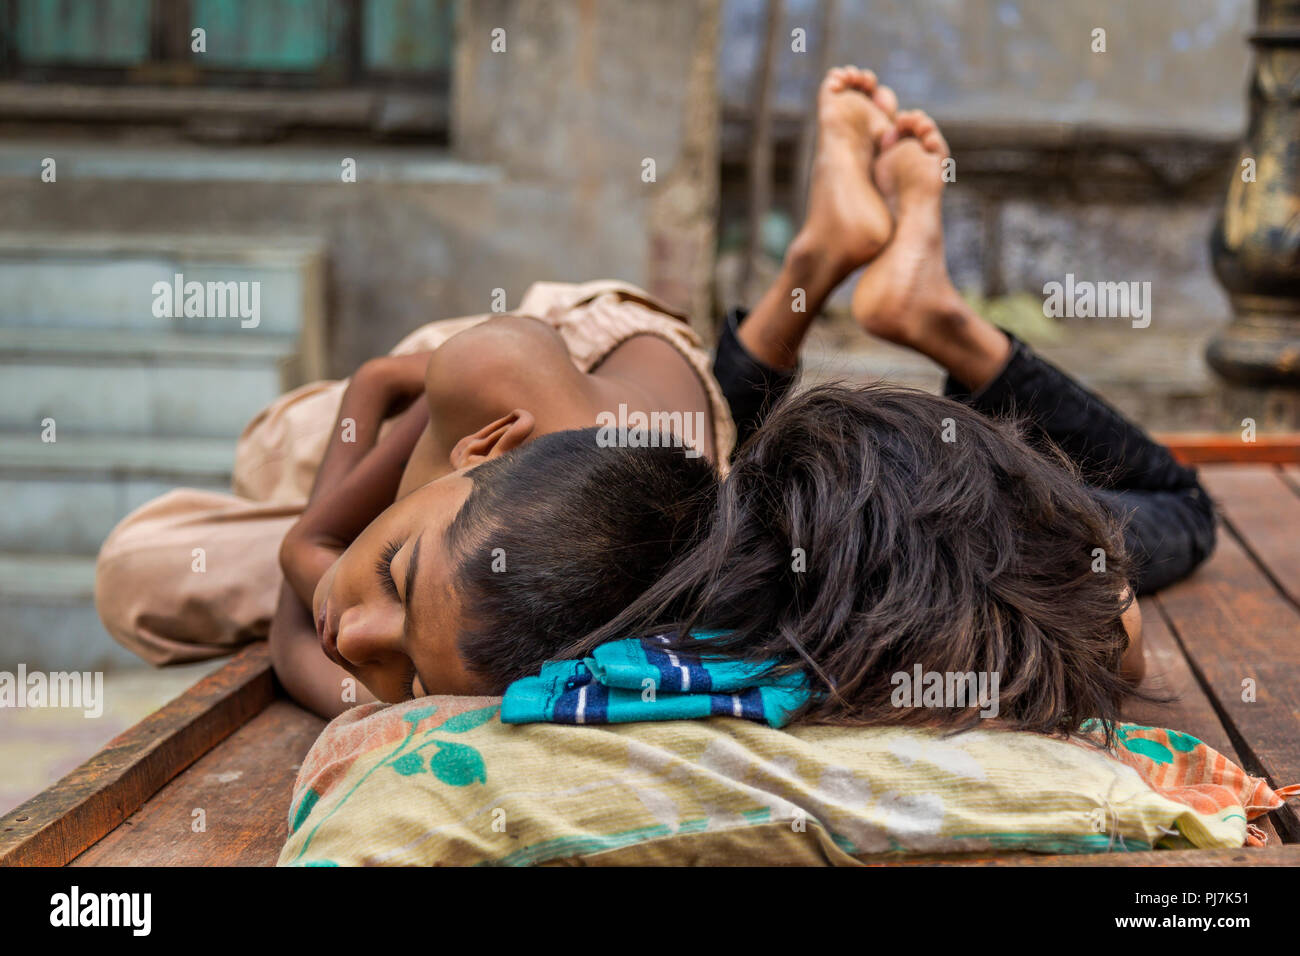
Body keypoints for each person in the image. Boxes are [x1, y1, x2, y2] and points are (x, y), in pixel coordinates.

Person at [96, 68, 1213, 729]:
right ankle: (826, 274)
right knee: (274, 450)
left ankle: (872, 285)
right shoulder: (499, 388)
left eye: (411, 667)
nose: (363, 636)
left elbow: (1116, 642)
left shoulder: (702, 612)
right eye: (394, 591)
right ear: (491, 447)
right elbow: (387, 389)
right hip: (576, 355)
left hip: (681, 456)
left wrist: (355, 656)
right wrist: (315, 549)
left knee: (146, 575)